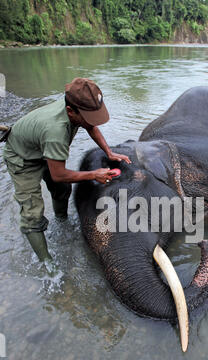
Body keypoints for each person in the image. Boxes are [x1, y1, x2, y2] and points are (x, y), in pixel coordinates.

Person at [3, 77, 131, 266]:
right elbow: (59, 174)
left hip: (44, 148)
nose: (90, 122)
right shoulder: (56, 131)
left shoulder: (76, 105)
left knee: (61, 189)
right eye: (87, 117)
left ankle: (61, 221)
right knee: (32, 213)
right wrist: (94, 174)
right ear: (71, 111)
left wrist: (109, 152)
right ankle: (47, 264)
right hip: (23, 158)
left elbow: (91, 126)